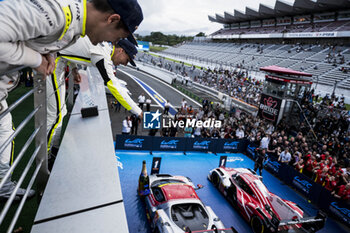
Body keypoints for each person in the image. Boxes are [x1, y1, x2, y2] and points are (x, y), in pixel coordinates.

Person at [0, 0, 143, 200]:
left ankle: (5, 184)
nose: (113, 42)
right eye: (118, 37)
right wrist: (36, 60)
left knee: (10, 131)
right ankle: (45, 163)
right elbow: (112, 84)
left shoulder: (75, 25)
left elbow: (55, 44)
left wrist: (52, 55)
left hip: (6, 88)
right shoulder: (60, 14)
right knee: (55, 117)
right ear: (112, 19)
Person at [46, 38, 142, 155]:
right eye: (127, 60)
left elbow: (73, 47)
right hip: (53, 62)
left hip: (58, 61)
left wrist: (74, 69)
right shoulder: (103, 56)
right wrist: (137, 111)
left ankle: (53, 149)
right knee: (56, 116)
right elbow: (115, 87)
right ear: (121, 51)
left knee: (62, 112)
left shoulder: (104, 47)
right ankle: (46, 155)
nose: (125, 63)